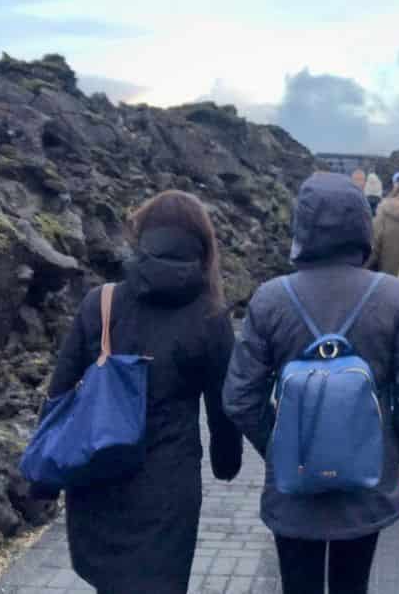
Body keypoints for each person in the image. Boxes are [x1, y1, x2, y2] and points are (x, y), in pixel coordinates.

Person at [224, 172, 399, 594]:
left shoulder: (270, 297)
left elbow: (239, 397)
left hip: (294, 489)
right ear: (361, 224)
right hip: (365, 488)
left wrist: (280, 446)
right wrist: (391, 449)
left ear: (301, 227)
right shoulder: (392, 296)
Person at [43, 190, 243, 594]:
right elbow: (225, 408)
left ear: (143, 239)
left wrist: (43, 478)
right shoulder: (211, 317)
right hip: (168, 489)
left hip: (97, 476)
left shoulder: (100, 302)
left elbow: (59, 394)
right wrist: (226, 463)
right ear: (202, 246)